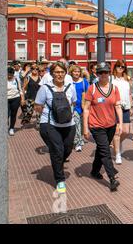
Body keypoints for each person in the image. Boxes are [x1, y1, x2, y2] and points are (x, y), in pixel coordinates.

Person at [34, 62, 77, 194]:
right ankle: (60, 180)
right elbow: (37, 106)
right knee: (57, 150)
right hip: (51, 124)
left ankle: (57, 163)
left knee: (68, 149)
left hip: (69, 124)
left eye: (62, 72)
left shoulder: (70, 87)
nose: (59, 74)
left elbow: (73, 102)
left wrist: (65, 113)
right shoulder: (45, 88)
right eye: (57, 72)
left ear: (65, 73)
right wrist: (49, 114)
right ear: (52, 73)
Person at [83, 62, 122, 192]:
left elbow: (117, 106)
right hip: (96, 125)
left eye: (106, 72)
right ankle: (112, 178)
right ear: (97, 74)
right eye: (101, 72)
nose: (103, 75)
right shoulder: (92, 89)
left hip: (111, 125)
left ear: (109, 73)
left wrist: (120, 123)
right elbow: (86, 109)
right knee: (105, 150)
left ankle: (94, 171)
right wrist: (85, 128)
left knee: (101, 149)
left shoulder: (114, 88)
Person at [111, 60, 133, 164]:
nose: (120, 68)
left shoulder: (127, 81)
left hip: (126, 108)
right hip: (115, 108)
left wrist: (132, 107)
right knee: (117, 131)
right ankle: (117, 154)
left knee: (126, 131)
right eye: (118, 66)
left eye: (122, 67)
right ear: (115, 67)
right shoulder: (111, 80)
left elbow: (129, 94)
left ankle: (117, 143)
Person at [69, 65, 89, 152]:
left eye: (78, 71)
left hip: (83, 106)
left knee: (82, 125)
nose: (76, 73)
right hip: (73, 106)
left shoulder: (84, 82)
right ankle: (78, 143)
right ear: (71, 72)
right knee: (76, 123)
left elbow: (88, 93)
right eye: (75, 71)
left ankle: (79, 138)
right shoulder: (69, 82)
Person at [7, 67, 25, 136]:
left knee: (13, 114)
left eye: (11, 75)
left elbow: (20, 90)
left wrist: (22, 99)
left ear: (13, 74)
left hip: (15, 99)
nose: (9, 76)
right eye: (8, 74)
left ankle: (11, 128)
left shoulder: (16, 80)